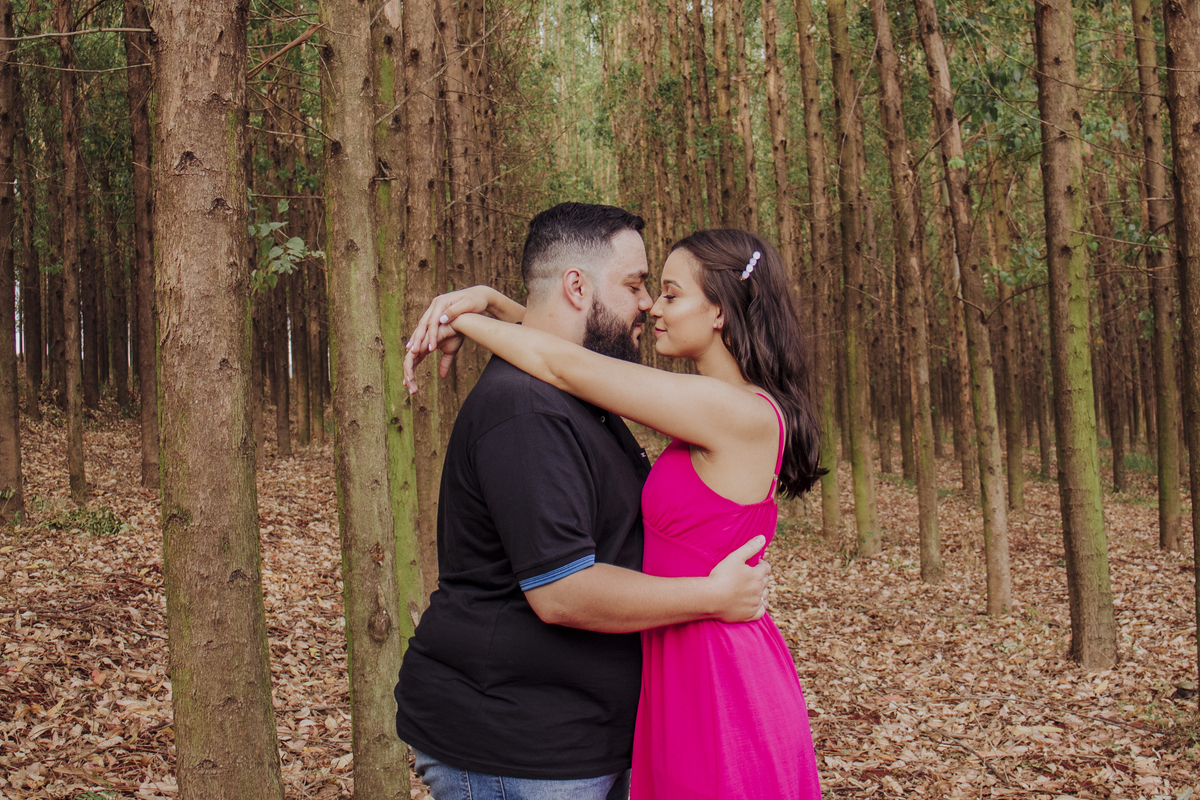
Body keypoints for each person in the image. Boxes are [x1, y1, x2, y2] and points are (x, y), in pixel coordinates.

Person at [405, 227, 825, 799]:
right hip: (682, 651)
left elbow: (564, 367)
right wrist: (494, 302)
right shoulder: (712, 404)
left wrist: (463, 316)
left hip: (715, 664)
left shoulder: (731, 410)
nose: (654, 307)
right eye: (649, 289)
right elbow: (572, 357)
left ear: (720, 312)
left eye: (671, 294)